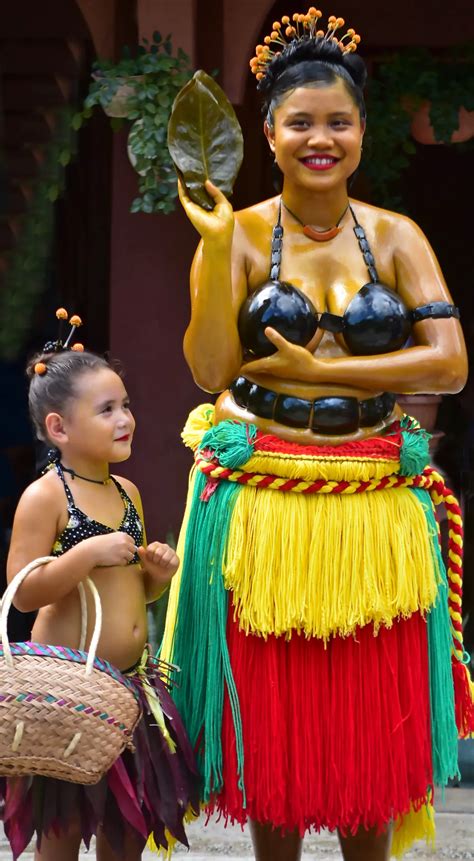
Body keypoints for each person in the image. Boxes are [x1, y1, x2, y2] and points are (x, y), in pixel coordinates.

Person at [161, 8, 473, 861]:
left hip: (369, 491)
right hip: (268, 490)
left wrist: (324, 373)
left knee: (365, 719)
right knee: (279, 720)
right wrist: (217, 247)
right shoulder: (244, 229)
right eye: (301, 122)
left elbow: (447, 365)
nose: (320, 139)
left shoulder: (397, 237)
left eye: (338, 122)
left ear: (363, 131)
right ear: (269, 132)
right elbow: (211, 366)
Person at [2, 325, 198, 860]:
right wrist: (84, 554)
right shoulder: (46, 497)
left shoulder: (126, 491)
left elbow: (134, 595)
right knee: (61, 833)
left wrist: (155, 576)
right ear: (59, 428)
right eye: (107, 409)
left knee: (127, 834)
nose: (125, 419)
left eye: (126, 405)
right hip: (69, 691)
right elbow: (22, 593)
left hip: (130, 692)